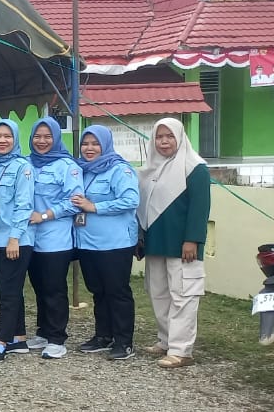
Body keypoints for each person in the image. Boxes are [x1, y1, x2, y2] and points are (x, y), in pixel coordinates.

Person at [139, 117, 210, 368]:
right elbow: (144, 208)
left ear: (180, 138)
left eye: (169, 136)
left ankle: (181, 350)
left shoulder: (195, 168)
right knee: (158, 293)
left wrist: (192, 240)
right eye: (159, 137)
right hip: (156, 243)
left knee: (183, 294)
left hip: (182, 246)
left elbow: (200, 208)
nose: (164, 141)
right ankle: (166, 340)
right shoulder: (150, 170)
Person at [72, 124, 141, 361]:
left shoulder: (119, 169)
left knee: (117, 292)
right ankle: (103, 336)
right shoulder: (82, 170)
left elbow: (131, 200)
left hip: (115, 243)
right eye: (85, 143)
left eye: (95, 144)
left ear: (106, 145)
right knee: (98, 291)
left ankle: (124, 341)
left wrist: (95, 207)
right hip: (87, 243)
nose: (89, 148)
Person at [24, 117, 82, 359]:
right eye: (37, 136)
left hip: (55, 238)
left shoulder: (67, 166)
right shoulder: (26, 163)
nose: (42, 141)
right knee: (38, 286)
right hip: (30, 237)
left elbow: (75, 201)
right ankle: (43, 331)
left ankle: (57, 338)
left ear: (56, 138)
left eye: (48, 137)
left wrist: (46, 215)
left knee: (54, 288)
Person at [0, 120, 36, 363]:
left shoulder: (23, 167)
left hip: (16, 240)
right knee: (11, 289)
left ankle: (1, 342)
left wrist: (14, 237)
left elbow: (24, 205)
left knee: (8, 292)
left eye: (7, 136)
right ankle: (19, 337)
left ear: (15, 139)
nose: (2, 140)